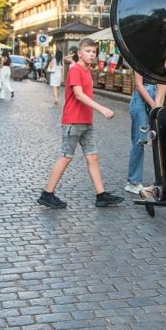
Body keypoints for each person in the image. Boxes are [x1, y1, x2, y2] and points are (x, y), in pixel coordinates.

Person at [37, 38, 123, 209]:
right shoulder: (76, 70)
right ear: (79, 53)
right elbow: (79, 95)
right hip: (73, 121)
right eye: (88, 51)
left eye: (94, 52)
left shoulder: (87, 70)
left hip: (86, 122)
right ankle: (47, 194)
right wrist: (102, 108)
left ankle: (101, 195)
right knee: (66, 157)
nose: (91, 55)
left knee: (92, 157)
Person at [125, 71, 158, 194]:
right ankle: (133, 182)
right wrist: (154, 105)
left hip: (158, 94)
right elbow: (139, 84)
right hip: (142, 98)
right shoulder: (140, 57)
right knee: (139, 140)